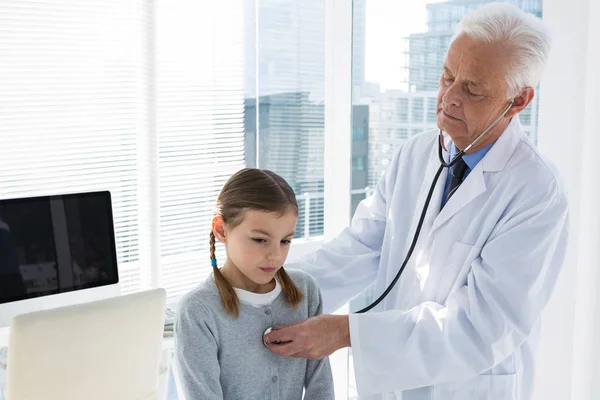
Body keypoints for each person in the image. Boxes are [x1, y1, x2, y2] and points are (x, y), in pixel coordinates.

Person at [264, 3, 569, 399]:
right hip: (394, 386)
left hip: (467, 388)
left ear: (518, 101)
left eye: (473, 89)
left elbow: (481, 327)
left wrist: (344, 332)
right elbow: (358, 249)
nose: (449, 97)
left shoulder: (536, 191)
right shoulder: (416, 153)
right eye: (446, 76)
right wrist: (266, 290)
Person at [174, 168, 334, 400]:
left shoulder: (305, 290)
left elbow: (322, 388)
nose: (275, 256)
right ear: (221, 230)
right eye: (260, 240)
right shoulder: (198, 310)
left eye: (285, 241)